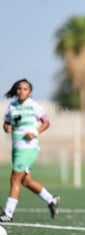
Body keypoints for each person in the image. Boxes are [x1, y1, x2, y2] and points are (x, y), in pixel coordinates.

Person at [0, 79, 59, 222]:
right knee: (26, 181)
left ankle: (8, 213)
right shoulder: (12, 106)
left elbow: (47, 122)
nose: (21, 91)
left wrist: (35, 133)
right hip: (16, 148)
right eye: (19, 88)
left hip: (29, 147)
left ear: (30, 92)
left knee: (14, 179)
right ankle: (51, 200)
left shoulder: (34, 106)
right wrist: (6, 128)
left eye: (25, 89)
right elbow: (6, 125)